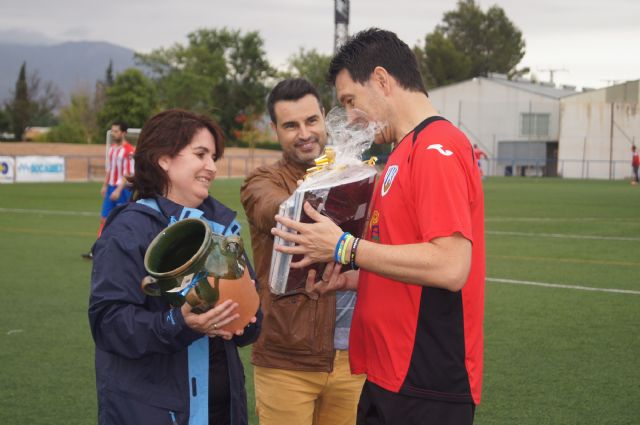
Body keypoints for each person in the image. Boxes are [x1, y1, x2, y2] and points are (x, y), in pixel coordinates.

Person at [272, 29, 485, 425]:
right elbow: (408, 256)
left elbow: (450, 266)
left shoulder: (437, 147)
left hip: (427, 377)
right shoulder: (401, 152)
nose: (350, 116)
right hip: (391, 373)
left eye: (351, 101)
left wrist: (345, 249)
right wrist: (355, 278)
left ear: (383, 80)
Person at [89, 109, 261, 425]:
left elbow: (250, 324)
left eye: (213, 156)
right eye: (200, 154)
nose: (211, 166)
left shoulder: (222, 226)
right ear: (163, 159)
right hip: (154, 412)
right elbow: (108, 324)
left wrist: (244, 319)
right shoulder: (129, 230)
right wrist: (178, 322)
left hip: (222, 410)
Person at [240, 78, 365, 425]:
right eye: (290, 125)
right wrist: (328, 187)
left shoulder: (354, 169)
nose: (304, 133)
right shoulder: (261, 181)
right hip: (286, 359)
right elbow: (274, 209)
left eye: (311, 120)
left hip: (353, 357)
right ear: (275, 129)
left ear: (324, 117)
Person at [82, 120, 135, 259]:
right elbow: (110, 168)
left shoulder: (129, 151)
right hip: (111, 187)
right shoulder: (112, 149)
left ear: (124, 133)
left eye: (116, 131)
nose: (113, 134)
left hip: (123, 190)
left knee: (124, 220)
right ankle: (98, 250)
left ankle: (125, 251)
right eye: (112, 131)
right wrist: (105, 185)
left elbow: (129, 173)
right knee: (104, 219)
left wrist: (118, 190)